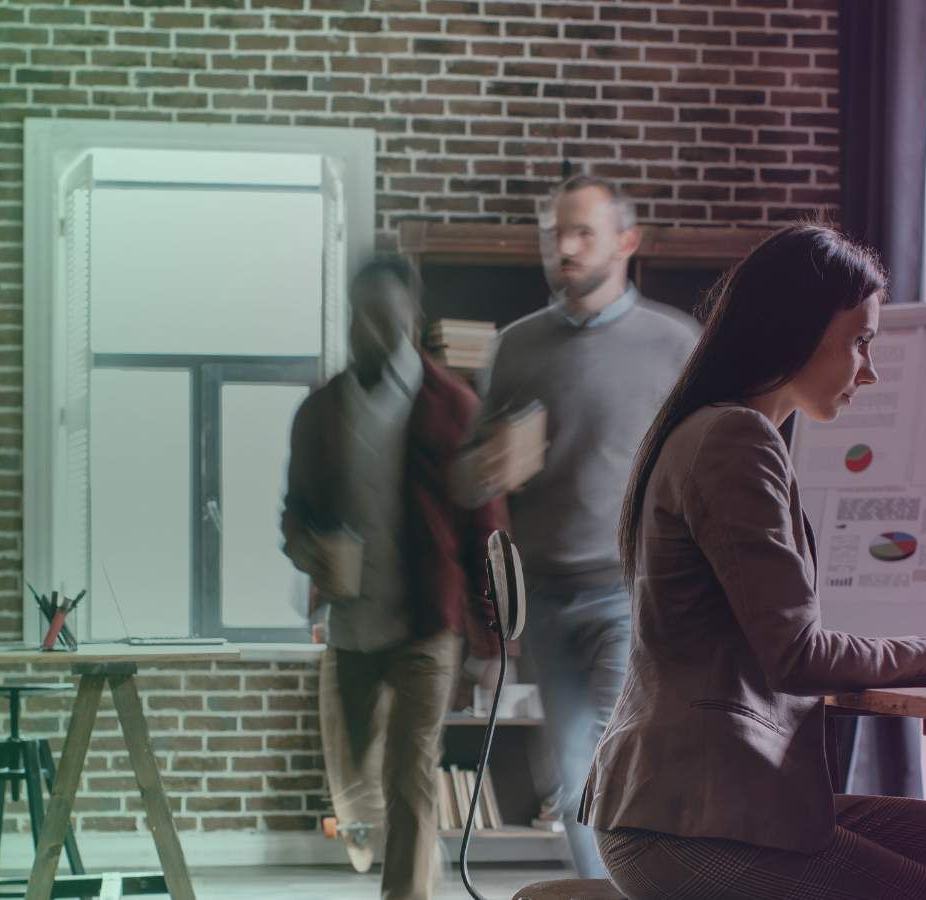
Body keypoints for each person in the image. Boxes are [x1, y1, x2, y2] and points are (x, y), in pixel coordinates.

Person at [580, 225, 926, 899]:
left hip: (712, 797)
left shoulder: (723, 430)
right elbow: (799, 656)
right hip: (682, 822)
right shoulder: (734, 439)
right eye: (860, 340)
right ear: (797, 327)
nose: (870, 368)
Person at [455, 174, 700, 878]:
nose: (562, 247)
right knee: (573, 778)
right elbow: (467, 480)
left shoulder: (675, 344)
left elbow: (712, 462)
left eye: (581, 232)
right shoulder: (515, 348)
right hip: (544, 599)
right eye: (553, 233)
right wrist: (491, 466)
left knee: (593, 760)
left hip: (634, 591)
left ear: (627, 242)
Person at [281, 256, 510, 900]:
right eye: (359, 316)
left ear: (410, 320)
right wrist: (311, 553)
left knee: (411, 777)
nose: (369, 331)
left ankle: (405, 892)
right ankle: (414, 864)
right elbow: (293, 516)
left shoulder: (455, 408)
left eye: (384, 318)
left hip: (426, 628)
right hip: (351, 627)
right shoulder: (321, 412)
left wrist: (493, 643)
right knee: (356, 777)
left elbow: (487, 532)